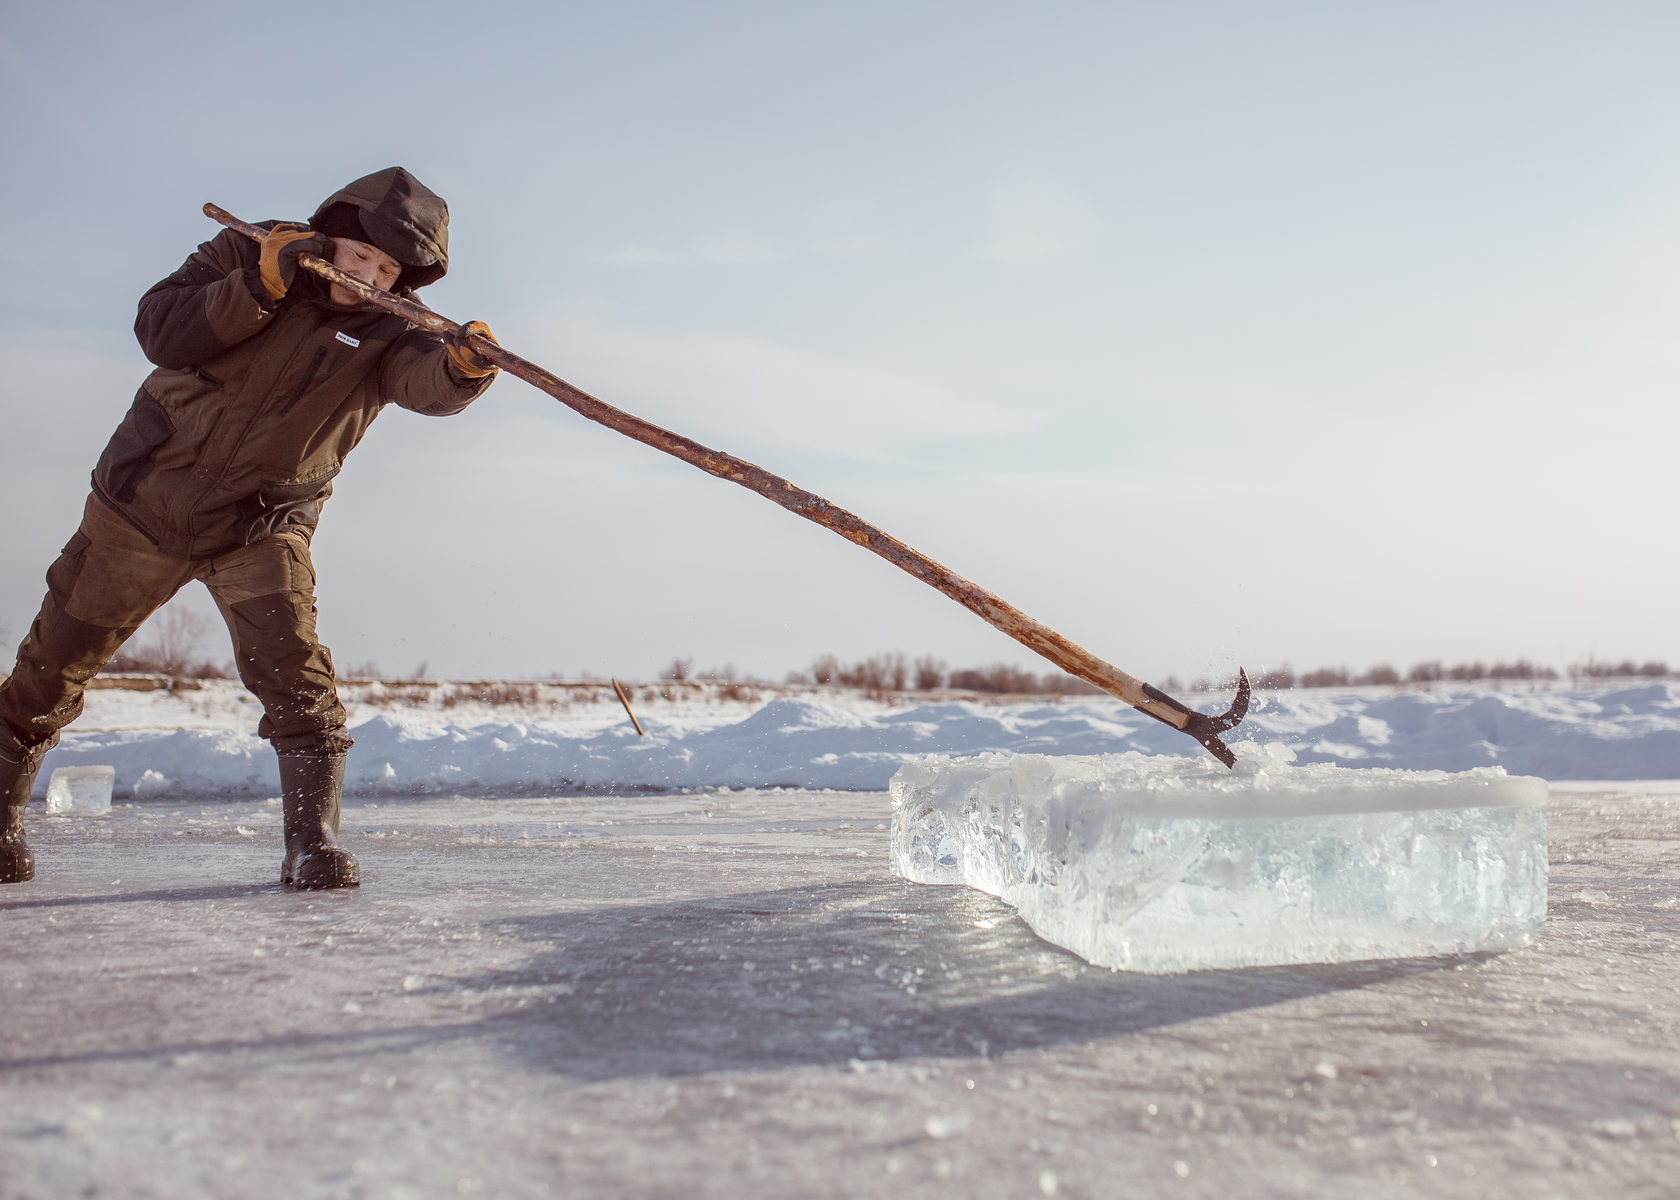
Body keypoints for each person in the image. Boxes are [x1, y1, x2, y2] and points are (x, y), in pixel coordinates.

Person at [0, 166, 499, 889]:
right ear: (331, 232)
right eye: (359, 257)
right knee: (52, 667)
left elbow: (429, 385)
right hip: (145, 502)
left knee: (295, 676)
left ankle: (312, 842)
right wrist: (259, 286)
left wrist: (463, 368)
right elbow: (160, 329)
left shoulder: (397, 333)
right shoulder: (243, 253)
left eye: (388, 269)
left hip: (259, 526)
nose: (368, 277)